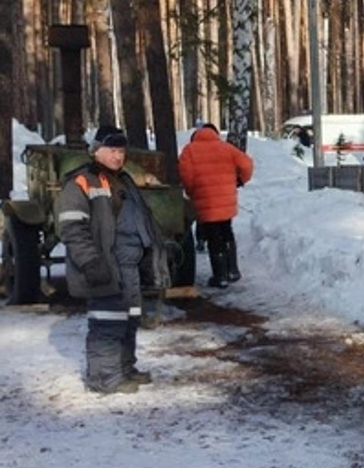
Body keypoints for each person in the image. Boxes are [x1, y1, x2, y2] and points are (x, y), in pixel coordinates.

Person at [59, 125, 171, 394]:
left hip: (129, 267)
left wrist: (159, 249)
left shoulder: (125, 180)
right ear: (96, 151)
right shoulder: (82, 182)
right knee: (107, 321)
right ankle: (104, 379)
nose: (118, 156)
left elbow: (143, 220)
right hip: (105, 266)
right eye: (112, 150)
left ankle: (124, 369)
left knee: (130, 318)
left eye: (121, 150)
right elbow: (71, 228)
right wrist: (90, 262)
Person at [179, 122, 254, 288]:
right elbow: (247, 164)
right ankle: (233, 270)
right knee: (226, 231)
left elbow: (186, 176)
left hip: (205, 199)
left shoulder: (189, 151)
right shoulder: (226, 148)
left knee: (213, 237)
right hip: (226, 200)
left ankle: (220, 276)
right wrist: (240, 181)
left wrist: (193, 192)